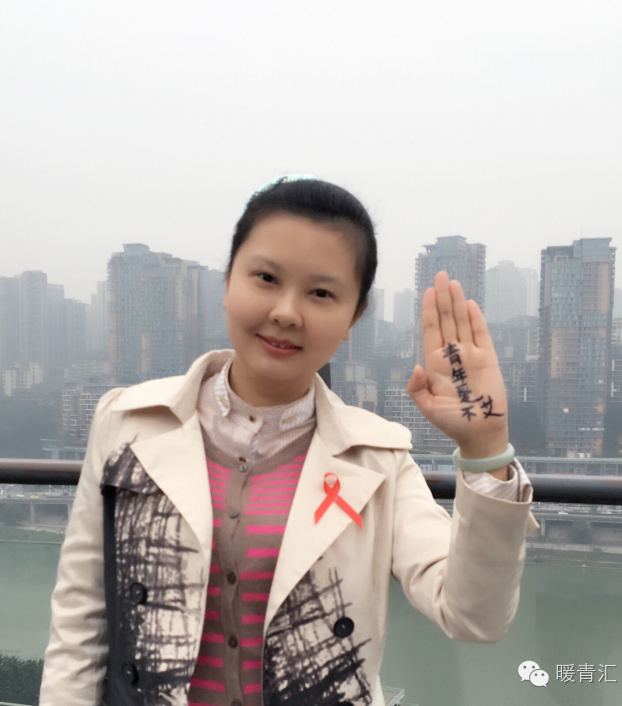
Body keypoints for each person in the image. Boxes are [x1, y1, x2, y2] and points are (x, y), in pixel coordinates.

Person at [40, 176, 537, 706]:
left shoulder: (376, 460)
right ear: (227, 280)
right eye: (266, 278)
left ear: (354, 317)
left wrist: (486, 447)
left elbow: (474, 615)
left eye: (321, 293)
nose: (285, 312)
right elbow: (80, 624)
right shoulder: (128, 424)